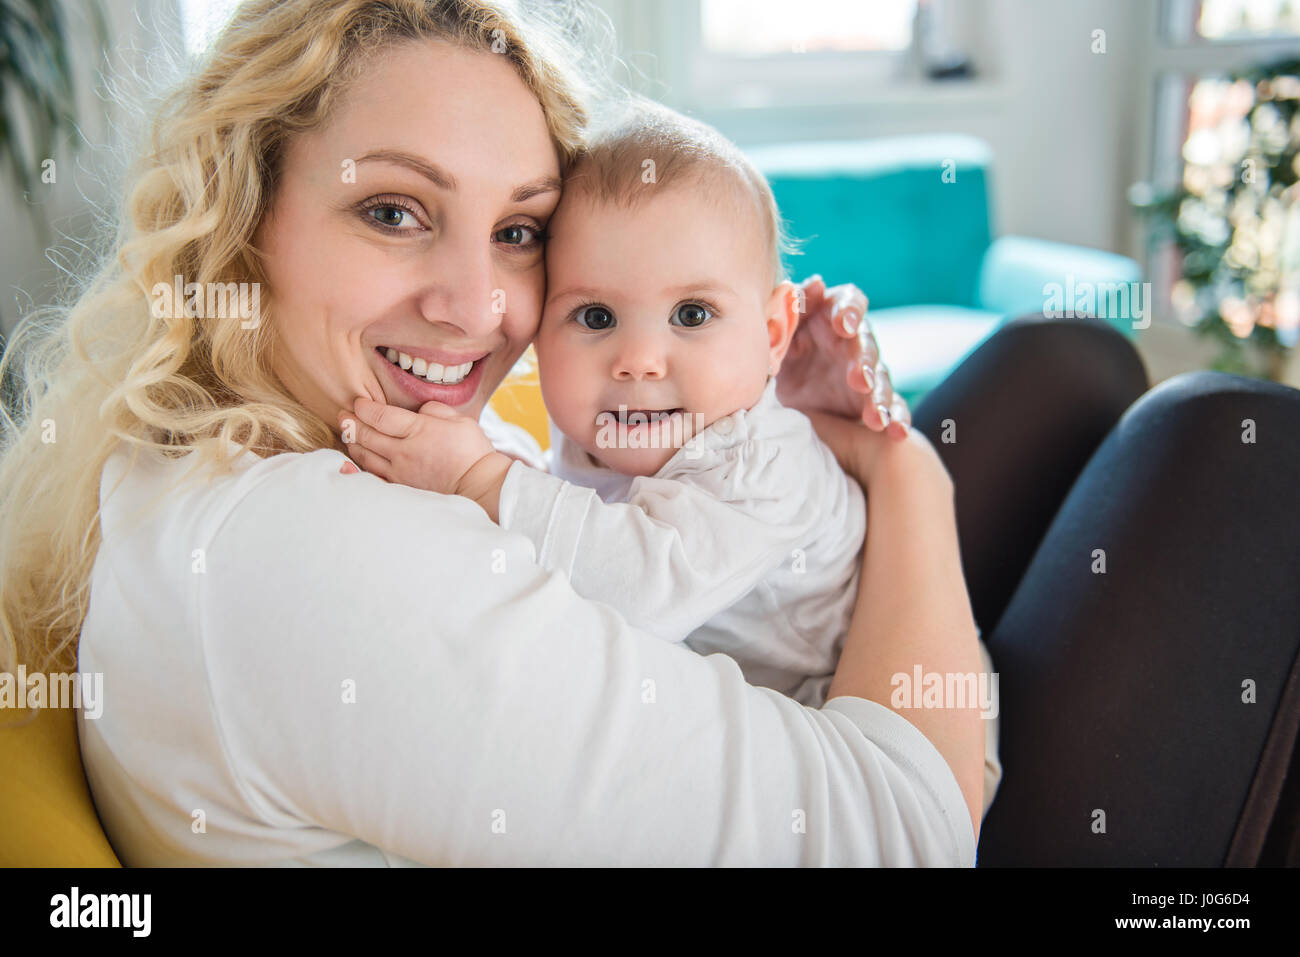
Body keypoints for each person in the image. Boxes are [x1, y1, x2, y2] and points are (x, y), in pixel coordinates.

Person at [0, 0, 987, 865]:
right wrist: (899, 472)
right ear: (245, 212)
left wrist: (783, 420)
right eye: (393, 212)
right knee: (1119, 419)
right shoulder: (316, 562)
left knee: (1060, 382)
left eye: (517, 233)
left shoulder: (200, 462)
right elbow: (907, 838)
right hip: (933, 777)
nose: (478, 309)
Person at [341, 101, 1004, 812]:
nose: (638, 359)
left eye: (691, 314)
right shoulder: (611, 429)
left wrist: (478, 475)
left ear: (775, 331)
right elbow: (570, 512)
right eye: (595, 317)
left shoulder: (757, 462)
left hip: (907, 737)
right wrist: (479, 458)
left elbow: (639, 586)